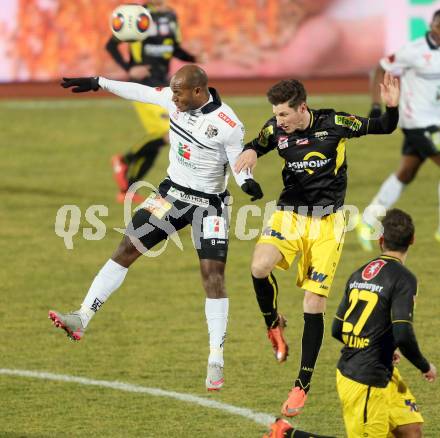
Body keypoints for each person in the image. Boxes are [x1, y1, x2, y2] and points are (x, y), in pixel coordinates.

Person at [49, 65, 263, 391]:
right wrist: (98, 82)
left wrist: (248, 184)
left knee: (213, 277)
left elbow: (239, 166)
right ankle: (81, 317)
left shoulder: (228, 124)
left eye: (178, 93)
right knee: (126, 249)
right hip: (170, 195)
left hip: (210, 205)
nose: (172, 98)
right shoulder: (173, 101)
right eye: (172, 92)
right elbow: (140, 92)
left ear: (198, 91)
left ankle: (215, 358)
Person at [234, 72, 400, 416]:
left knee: (313, 304)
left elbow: (384, 126)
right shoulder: (276, 130)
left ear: (302, 108)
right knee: (258, 266)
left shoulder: (335, 122)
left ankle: (301, 385)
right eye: (276, 114)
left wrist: (393, 107)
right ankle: (272, 323)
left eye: (283, 115)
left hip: (327, 225)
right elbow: (256, 142)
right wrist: (250, 152)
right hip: (289, 215)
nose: (278, 121)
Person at [332, 209, 437, 437]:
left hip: (381, 372)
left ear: (380, 240)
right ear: (412, 240)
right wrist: (424, 366)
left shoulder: (358, 274)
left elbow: (336, 328)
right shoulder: (404, 278)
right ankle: (288, 433)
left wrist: (381, 345)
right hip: (363, 380)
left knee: (411, 430)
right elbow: (402, 334)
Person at [356, 9, 440, 251]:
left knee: (406, 173)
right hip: (417, 123)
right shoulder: (412, 51)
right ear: (434, 27)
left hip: (435, 122)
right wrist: (375, 104)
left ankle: (367, 221)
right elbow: (381, 68)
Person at [106, 0, 198, 203]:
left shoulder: (170, 18)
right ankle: (124, 160)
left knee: (157, 143)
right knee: (169, 133)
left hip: (163, 87)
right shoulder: (138, 17)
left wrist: (192, 56)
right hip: (143, 87)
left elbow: (172, 48)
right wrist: (129, 68)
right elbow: (111, 45)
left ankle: (127, 190)